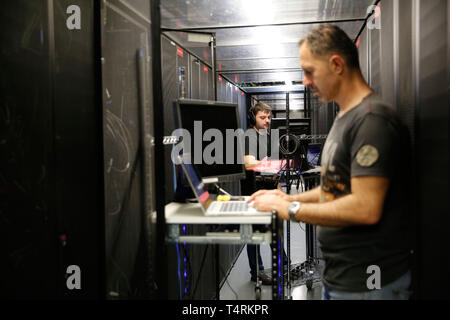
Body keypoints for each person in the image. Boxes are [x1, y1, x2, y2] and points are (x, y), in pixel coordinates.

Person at [249, 24, 413, 299]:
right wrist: (285, 199)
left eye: (309, 71)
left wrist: (291, 209)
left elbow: (365, 208)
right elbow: (332, 188)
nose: (305, 81)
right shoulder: (344, 117)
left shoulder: (372, 120)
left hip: (369, 284)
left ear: (336, 64)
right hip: (341, 277)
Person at [241, 102, 287, 285]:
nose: (267, 120)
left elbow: (274, 168)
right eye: (263, 117)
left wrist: (279, 191)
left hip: (270, 192)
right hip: (253, 193)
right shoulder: (248, 136)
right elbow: (248, 163)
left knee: (274, 231)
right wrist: (270, 164)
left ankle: (282, 266)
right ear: (253, 118)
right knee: (253, 236)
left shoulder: (269, 137)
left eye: (269, 117)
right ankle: (256, 272)